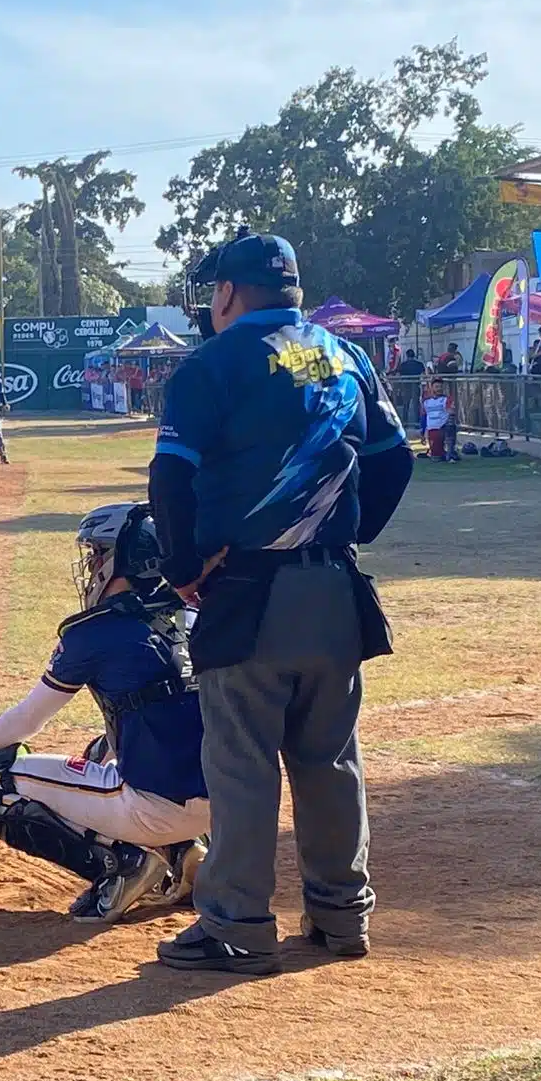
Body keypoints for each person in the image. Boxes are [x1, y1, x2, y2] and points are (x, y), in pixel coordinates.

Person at [147, 231, 414, 975]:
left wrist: (182, 566)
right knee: (330, 759)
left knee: (241, 764)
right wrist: (348, 533)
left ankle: (236, 924)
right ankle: (342, 915)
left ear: (228, 293)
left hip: (248, 594)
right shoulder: (344, 354)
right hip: (335, 591)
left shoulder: (212, 365)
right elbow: (394, 460)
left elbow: (169, 478)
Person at [0, 503, 210, 924]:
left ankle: (124, 866)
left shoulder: (94, 632)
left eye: (96, 555)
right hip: (232, 802)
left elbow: (27, 720)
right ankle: (185, 850)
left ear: (121, 560)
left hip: (158, 809)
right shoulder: (193, 613)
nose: (90, 566)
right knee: (104, 747)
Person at [421, 377, 456, 461]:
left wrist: (450, 410)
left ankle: (450, 452)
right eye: (436, 387)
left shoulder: (446, 399)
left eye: (440, 387)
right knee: (436, 457)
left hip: (443, 428)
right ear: (432, 387)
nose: (439, 389)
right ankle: (440, 451)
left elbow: (451, 412)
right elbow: (423, 417)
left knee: (451, 424)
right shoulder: (426, 401)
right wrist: (422, 433)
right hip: (432, 429)